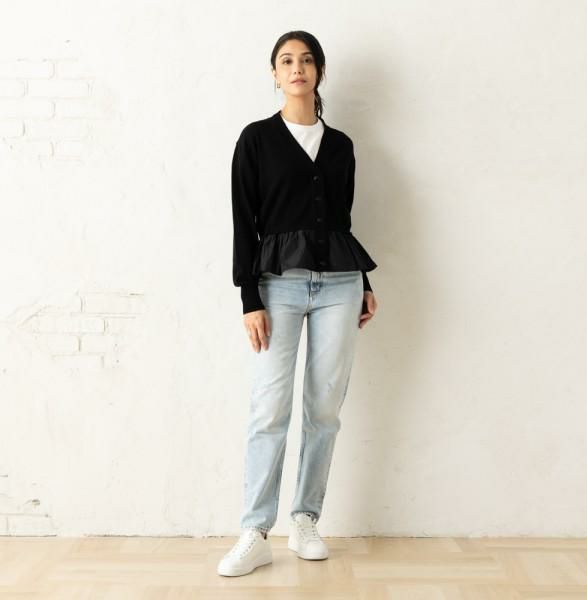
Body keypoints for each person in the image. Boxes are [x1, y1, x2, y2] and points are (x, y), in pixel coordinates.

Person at [218, 30, 378, 577]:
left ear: (319, 72)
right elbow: (244, 221)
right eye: (286, 60)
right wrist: (249, 296)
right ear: (274, 73)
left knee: (324, 409)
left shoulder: (341, 146)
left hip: (340, 286)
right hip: (277, 287)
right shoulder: (256, 140)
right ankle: (255, 531)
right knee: (270, 409)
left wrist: (364, 281)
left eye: (307, 60)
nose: (297, 68)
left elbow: (341, 219)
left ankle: (306, 519)